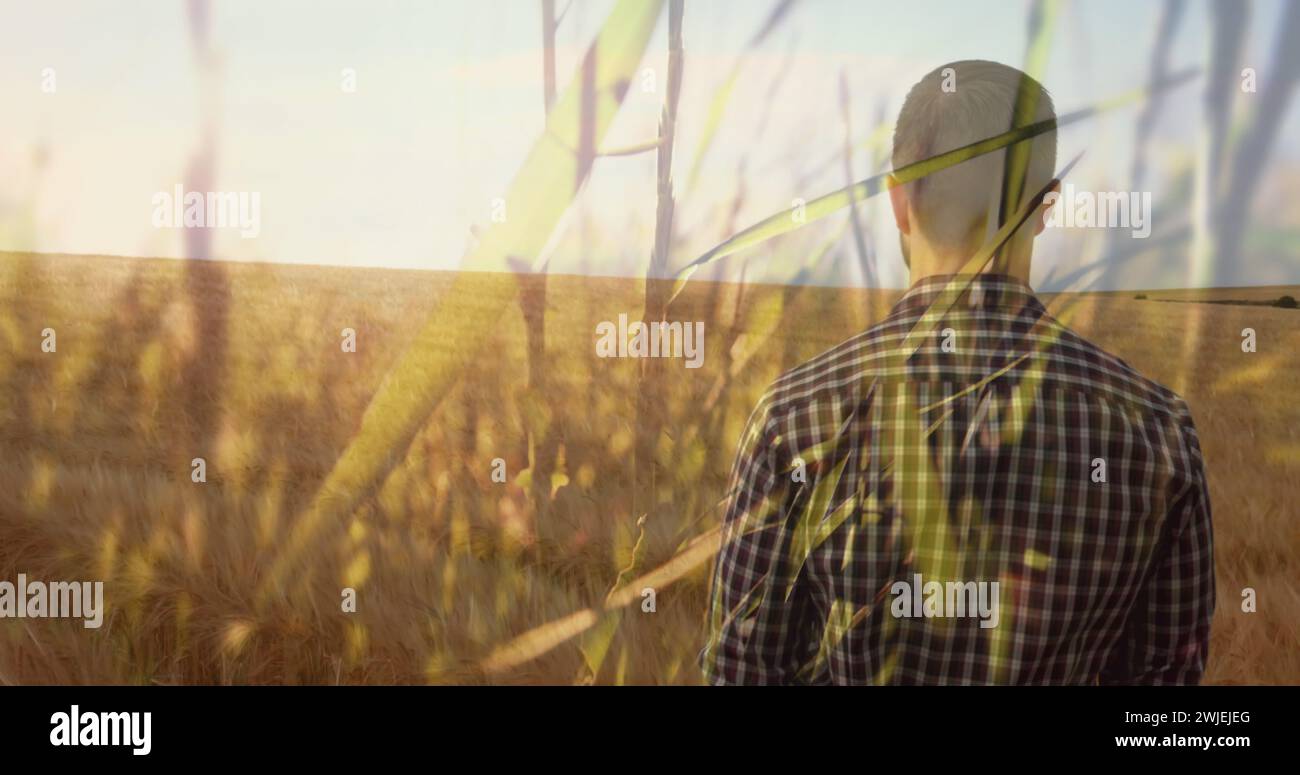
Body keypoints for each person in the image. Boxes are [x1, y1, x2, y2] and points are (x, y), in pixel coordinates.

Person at [700, 60, 1215, 685]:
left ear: (897, 199)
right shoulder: (1157, 430)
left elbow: (741, 673)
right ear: (1047, 205)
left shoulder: (794, 416)